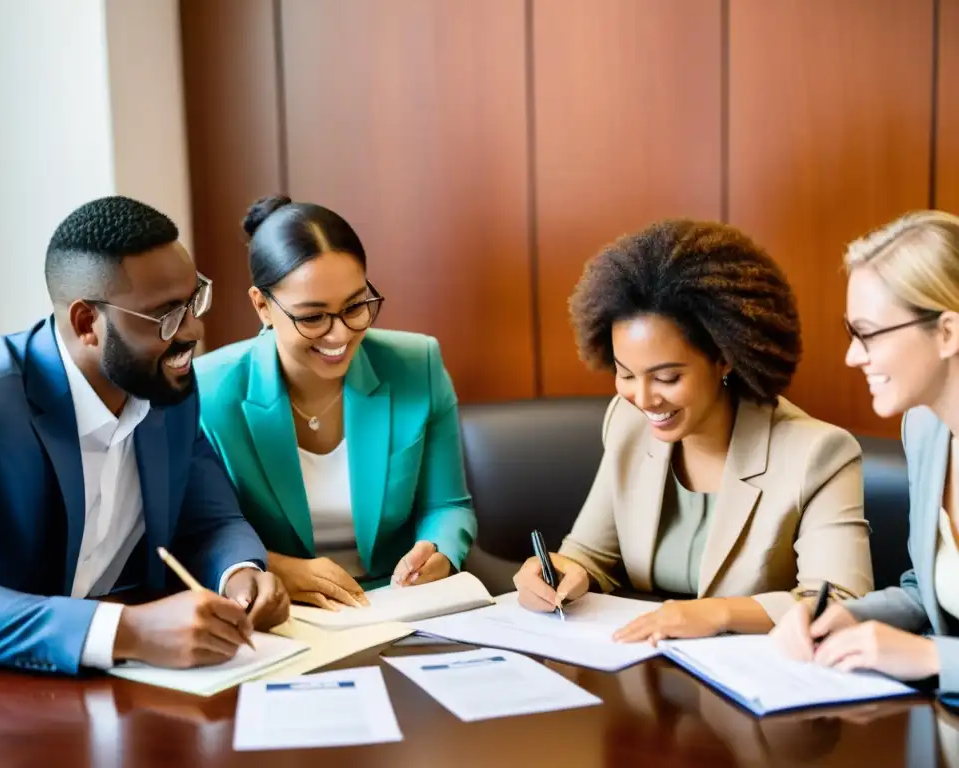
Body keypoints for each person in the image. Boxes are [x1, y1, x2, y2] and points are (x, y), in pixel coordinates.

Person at [0, 196, 289, 675]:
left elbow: (209, 522)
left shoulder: (169, 384)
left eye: (193, 301)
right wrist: (129, 631)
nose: (195, 329)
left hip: (134, 687)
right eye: (167, 315)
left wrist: (240, 575)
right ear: (87, 324)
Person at [513, 219, 873, 642]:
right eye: (625, 373)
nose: (644, 399)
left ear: (725, 359)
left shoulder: (819, 453)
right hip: (641, 677)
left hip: (753, 687)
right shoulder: (627, 422)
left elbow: (841, 600)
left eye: (666, 378)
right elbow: (592, 555)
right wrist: (562, 573)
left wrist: (718, 614)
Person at [194, 196, 476, 609]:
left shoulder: (418, 364)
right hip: (281, 611)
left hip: (396, 605)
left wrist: (439, 551)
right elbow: (203, 530)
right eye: (312, 317)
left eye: (355, 306)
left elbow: (448, 505)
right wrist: (271, 566)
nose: (340, 335)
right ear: (262, 306)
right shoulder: (211, 389)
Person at [772, 211, 959, 696]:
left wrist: (932, 656)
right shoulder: (924, 430)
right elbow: (930, 592)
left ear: (947, 333)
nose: (853, 356)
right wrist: (843, 616)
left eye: (869, 333)